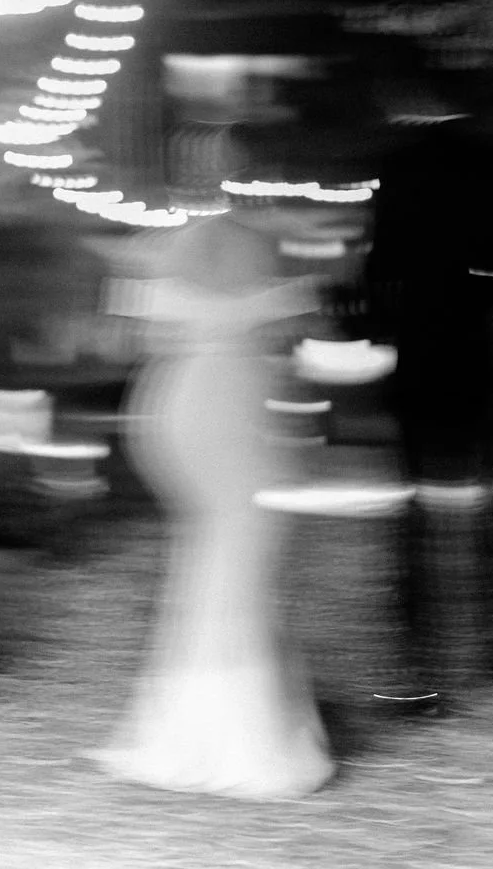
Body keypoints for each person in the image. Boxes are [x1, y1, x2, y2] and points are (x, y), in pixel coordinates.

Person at [83, 204, 335, 799]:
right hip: (232, 405)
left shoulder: (164, 263)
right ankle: (244, 731)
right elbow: (303, 348)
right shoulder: (265, 260)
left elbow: (125, 341)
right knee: (239, 556)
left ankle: (202, 720)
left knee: (211, 553)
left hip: (177, 401)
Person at [364, 114, 493, 712]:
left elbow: (380, 265)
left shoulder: (397, 165)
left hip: (419, 351)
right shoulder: (482, 161)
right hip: (473, 349)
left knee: (416, 508)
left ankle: (419, 660)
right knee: (490, 500)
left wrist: (384, 323)